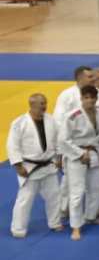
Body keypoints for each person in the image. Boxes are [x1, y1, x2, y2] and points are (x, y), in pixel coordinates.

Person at [8, 94, 63, 238]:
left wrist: (59, 157)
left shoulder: (51, 120)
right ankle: (18, 229)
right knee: (25, 199)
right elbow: (13, 146)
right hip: (29, 167)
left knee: (54, 196)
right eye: (41, 104)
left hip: (49, 165)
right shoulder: (19, 122)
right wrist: (18, 166)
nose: (44, 106)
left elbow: (58, 140)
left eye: (45, 103)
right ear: (32, 105)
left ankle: (55, 223)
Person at [59, 85, 99, 241]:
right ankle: (76, 226)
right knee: (77, 192)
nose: (90, 100)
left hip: (93, 153)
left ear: (96, 99)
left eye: (92, 97)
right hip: (77, 156)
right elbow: (63, 140)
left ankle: (90, 216)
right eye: (86, 97)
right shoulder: (73, 116)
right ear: (81, 98)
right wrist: (80, 154)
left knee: (97, 188)